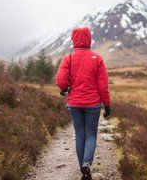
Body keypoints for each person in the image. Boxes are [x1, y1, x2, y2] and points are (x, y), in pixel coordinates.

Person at [55, 26, 111, 180]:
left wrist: (64, 88)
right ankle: (87, 164)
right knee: (91, 134)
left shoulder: (69, 58)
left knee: (80, 134)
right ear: (89, 39)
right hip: (93, 104)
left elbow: (60, 80)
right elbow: (103, 86)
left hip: (74, 103)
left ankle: (84, 172)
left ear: (74, 39)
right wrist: (107, 105)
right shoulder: (97, 58)